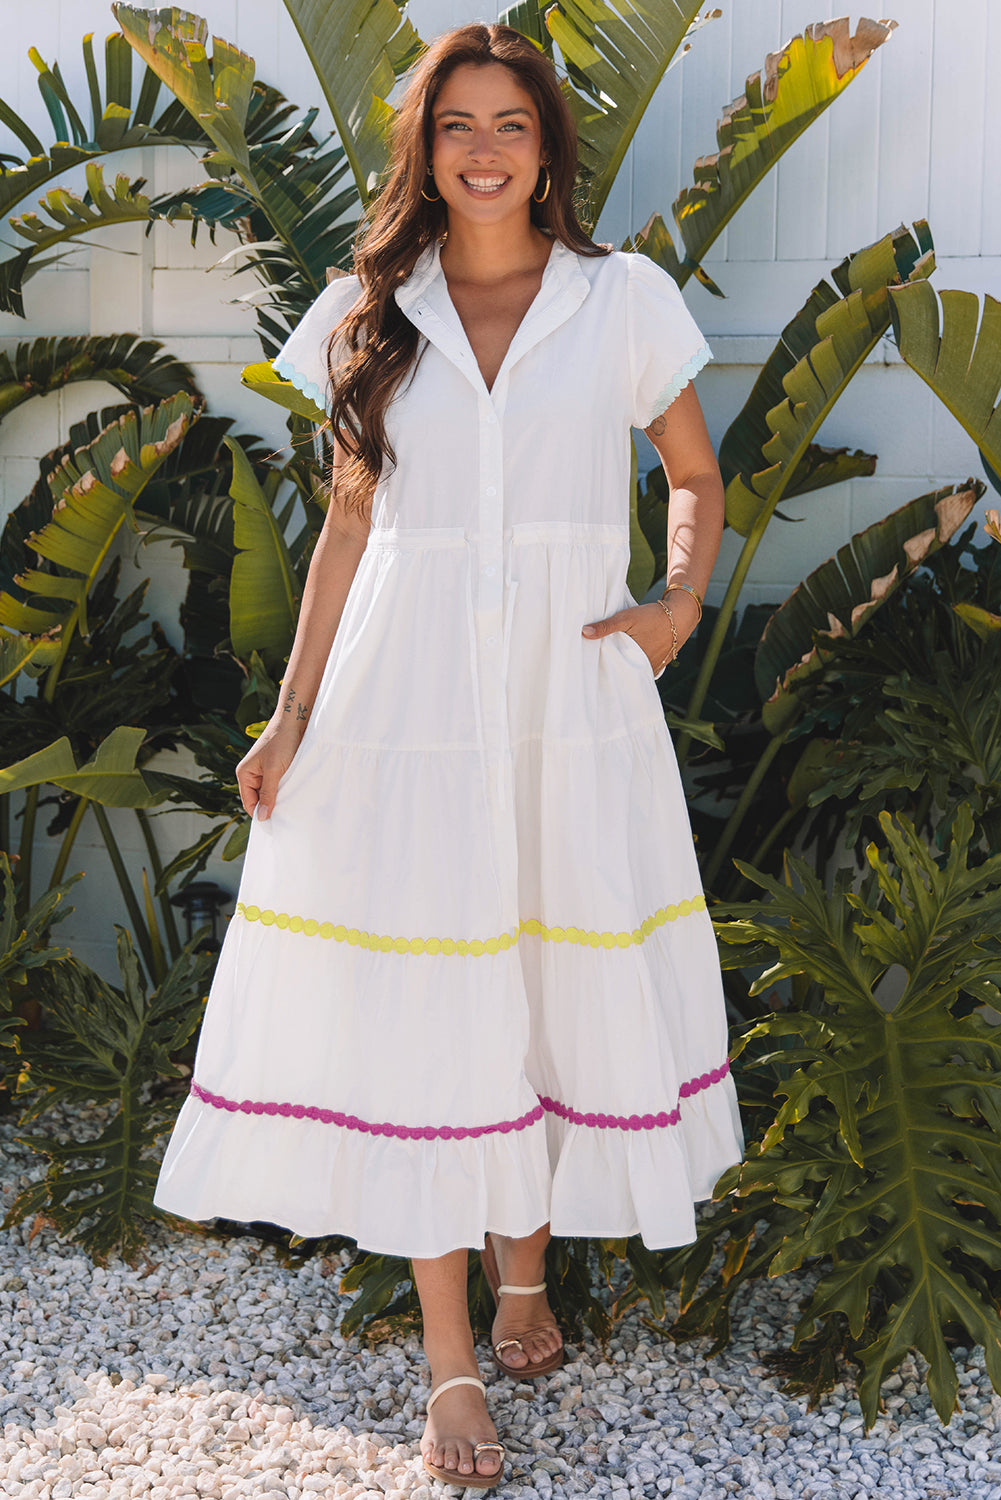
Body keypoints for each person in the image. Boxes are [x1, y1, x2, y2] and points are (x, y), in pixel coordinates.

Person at [153, 20, 744, 1490]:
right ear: (423, 149)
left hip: (570, 696)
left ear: (548, 153)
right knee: (431, 998)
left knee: (536, 976)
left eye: (511, 126)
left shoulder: (619, 299)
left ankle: (525, 1277)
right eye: (457, 125)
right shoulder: (368, 310)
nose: (484, 150)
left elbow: (690, 470)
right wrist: (292, 716)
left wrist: (675, 606)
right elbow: (347, 530)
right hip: (402, 708)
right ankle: (452, 1359)